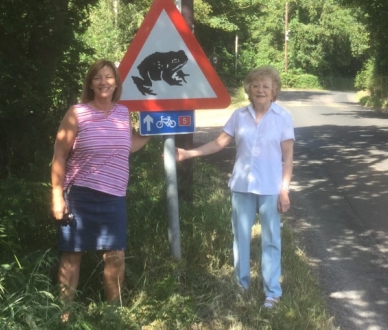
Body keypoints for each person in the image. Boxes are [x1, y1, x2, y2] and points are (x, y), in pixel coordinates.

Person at [177, 65, 294, 308]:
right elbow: (218, 144)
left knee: (271, 239)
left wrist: (284, 189)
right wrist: (188, 153)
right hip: (241, 186)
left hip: (271, 188)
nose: (260, 89)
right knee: (240, 237)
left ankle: (272, 292)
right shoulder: (239, 116)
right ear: (249, 90)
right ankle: (241, 285)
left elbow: (288, 157)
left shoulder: (283, 118)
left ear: (274, 92)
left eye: (266, 86)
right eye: (255, 85)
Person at [51, 59, 149, 307]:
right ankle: (63, 315)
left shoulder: (123, 113)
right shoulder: (77, 113)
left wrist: (151, 131)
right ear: (90, 84)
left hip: (114, 196)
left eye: (109, 77)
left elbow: (126, 147)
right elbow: (60, 154)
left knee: (115, 256)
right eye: (98, 78)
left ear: (116, 82)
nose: (104, 82)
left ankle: (113, 316)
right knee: (73, 254)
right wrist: (57, 196)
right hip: (79, 194)